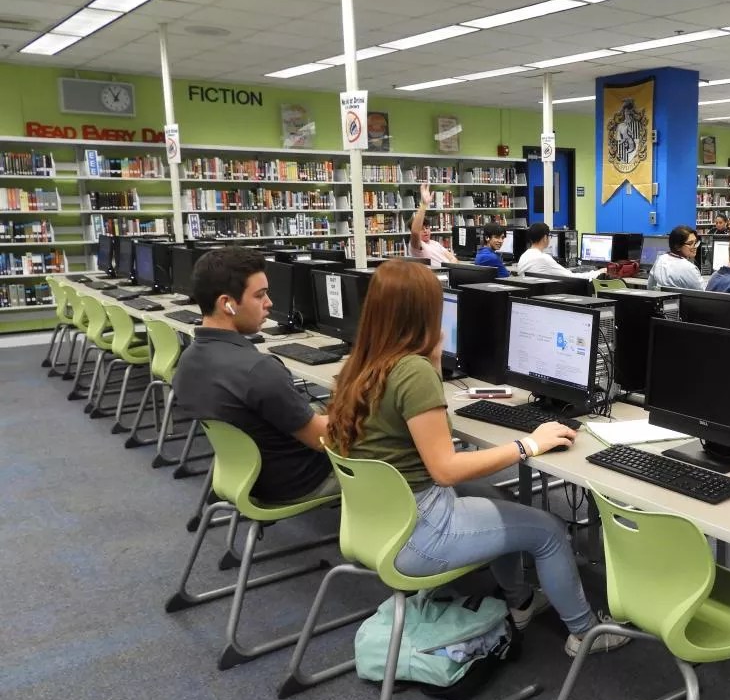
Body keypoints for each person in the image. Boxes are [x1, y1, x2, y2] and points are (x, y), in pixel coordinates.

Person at [324, 260, 629, 656]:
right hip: (421, 532)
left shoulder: (360, 364)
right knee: (549, 531)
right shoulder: (412, 372)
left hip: (380, 522)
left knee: (497, 500)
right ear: (424, 313)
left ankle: (519, 601)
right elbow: (446, 469)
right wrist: (529, 445)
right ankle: (585, 633)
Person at [172, 247, 338, 503]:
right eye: (260, 295)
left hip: (244, 476)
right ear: (226, 304)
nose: (269, 303)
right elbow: (324, 438)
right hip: (297, 483)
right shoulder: (258, 370)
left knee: (320, 407)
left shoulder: (188, 360)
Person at [409, 181, 457, 265]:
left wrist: (452, 264)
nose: (425, 231)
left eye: (427, 228)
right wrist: (424, 204)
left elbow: (453, 258)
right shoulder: (417, 246)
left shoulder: (435, 243)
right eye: (422, 229)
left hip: (449, 273)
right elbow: (415, 232)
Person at [647, 225, 704, 291]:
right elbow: (704, 293)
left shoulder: (660, 259)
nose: (695, 247)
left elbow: (650, 287)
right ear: (677, 246)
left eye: (695, 242)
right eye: (690, 243)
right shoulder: (690, 268)